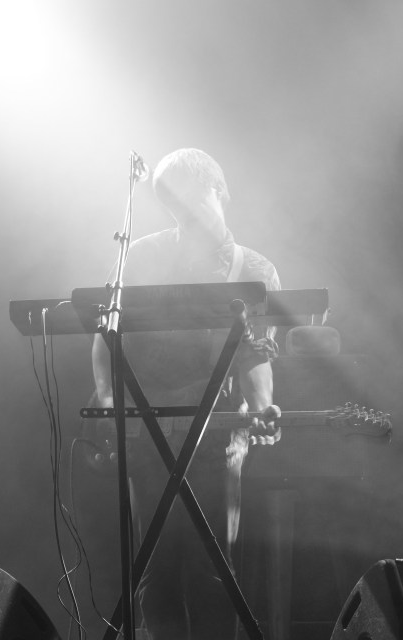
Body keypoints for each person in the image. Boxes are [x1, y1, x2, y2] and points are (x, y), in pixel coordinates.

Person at [87, 148, 281, 640]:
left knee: (213, 568)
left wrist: (262, 408)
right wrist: (106, 396)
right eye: (170, 203)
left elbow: (256, 354)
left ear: (219, 190)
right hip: (147, 432)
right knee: (154, 569)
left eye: (189, 199)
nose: (182, 213)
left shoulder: (254, 268)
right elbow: (105, 334)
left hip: (216, 435)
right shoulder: (142, 256)